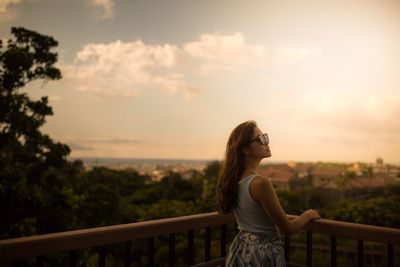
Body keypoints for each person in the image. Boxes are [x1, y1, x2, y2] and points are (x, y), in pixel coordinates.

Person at [217, 120, 321, 267]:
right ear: (245, 150)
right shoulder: (260, 183)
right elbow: (288, 229)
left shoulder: (233, 180)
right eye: (261, 138)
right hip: (261, 254)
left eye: (265, 136)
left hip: (240, 249)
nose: (267, 142)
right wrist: (308, 215)